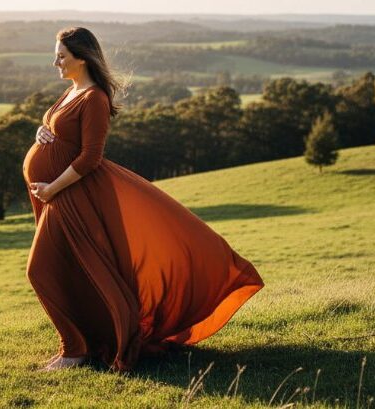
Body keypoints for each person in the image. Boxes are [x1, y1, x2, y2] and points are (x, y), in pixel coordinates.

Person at [22, 27, 264, 372]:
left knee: (41, 270)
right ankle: (82, 344)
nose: (55, 61)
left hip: (72, 198)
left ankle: (74, 351)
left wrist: (52, 188)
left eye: (61, 55)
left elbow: (90, 158)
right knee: (68, 270)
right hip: (57, 195)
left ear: (83, 58)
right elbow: (60, 131)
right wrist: (41, 130)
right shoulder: (72, 91)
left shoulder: (94, 99)